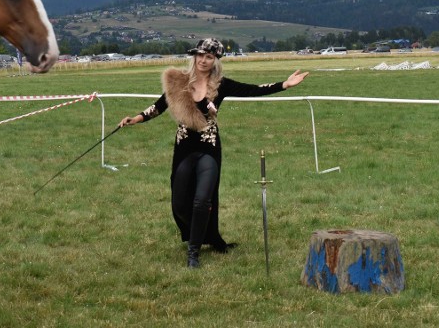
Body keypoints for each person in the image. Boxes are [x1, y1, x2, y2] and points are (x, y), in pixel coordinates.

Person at [118, 38, 308, 268]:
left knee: (202, 200)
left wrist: (284, 85)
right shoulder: (180, 82)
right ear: (194, 56)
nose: (204, 60)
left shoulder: (221, 84)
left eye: (209, 57)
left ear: (216, 60)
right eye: (201, 55)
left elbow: (252, 90)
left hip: (209, 148)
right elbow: (159, 106)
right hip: (184, 149)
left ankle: (193, 253)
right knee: (179, 203)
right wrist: (135, 119)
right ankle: (209, 236)